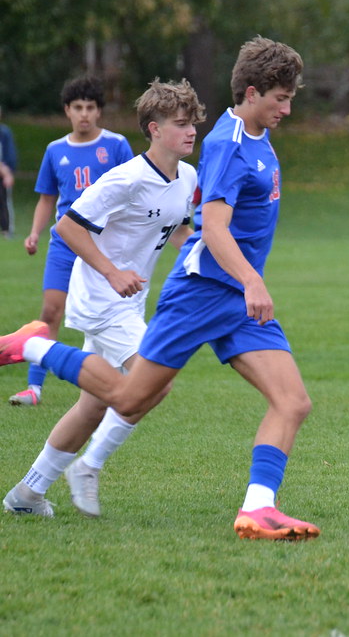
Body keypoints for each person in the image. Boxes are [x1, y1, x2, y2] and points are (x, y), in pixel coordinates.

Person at [0, 37, 320, 541]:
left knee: (293, 401)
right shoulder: (228, 144)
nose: (287, 107)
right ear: (253, 92)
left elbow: (189, 225)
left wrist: (232, 272)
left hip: (233, 298)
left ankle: (258, 509)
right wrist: (252, 278)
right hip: (200, 293)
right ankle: (32, 345)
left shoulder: (246, 143)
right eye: (280, 97)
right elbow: (215, 229)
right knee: (129, 398)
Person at [2, 79, 203, 519]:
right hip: (100, 296)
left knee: (93, 406)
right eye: (182, 124)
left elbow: (178, 231)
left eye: (194, 124)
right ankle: (33, 351)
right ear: (153, 128)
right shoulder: (126, 178)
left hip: (131, 301)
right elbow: (68, 227)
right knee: (156, 381)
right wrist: (112, 273)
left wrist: (208, 252)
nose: (192, 132)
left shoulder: (187, 176)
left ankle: (27, 494)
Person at [10, 77, 133, 406]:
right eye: (77, 107)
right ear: (67, 111)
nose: (84, 114)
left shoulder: (117, 145)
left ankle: (118, 381)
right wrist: (35, 232)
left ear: (99, 112)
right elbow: (47, 199)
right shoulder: (55, 150)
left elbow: (131, 192)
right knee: (51, 310)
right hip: (64, 243)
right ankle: (34, 388)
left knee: (109, 312)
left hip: (105, 245)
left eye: (90, 107)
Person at [0, 104, 18, 238]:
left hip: (2, 174)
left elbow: (10, 154)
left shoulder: (4, 133)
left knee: (4, 200)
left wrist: (8, 172)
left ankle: (6, 229)